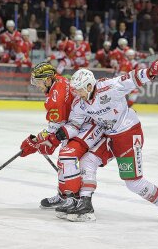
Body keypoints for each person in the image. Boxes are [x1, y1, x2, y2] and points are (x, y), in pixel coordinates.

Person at [35, 62, 158, 224]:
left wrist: (152, 71)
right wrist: (58, 135)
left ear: (90, 86)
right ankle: (85, 204)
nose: (76, 93)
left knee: (133, 183)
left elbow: (132, 78)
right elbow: (74, 125)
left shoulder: (109, 87)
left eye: (79, 89)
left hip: (128, 134)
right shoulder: (80, 102)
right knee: (87, 160)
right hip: (109, 136)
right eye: (74, 89)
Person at [19, 62, 104, 212]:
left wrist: (36, 141)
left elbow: (55, 128)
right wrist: (41, 141)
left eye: (39, 81)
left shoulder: (55, 99)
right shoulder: (61, 80)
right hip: (77, 122)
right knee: (63, 161)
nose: (37, 85)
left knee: (66, 158)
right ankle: (64, 195)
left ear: (48, 79)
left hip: (83, 126)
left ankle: (72, 198)